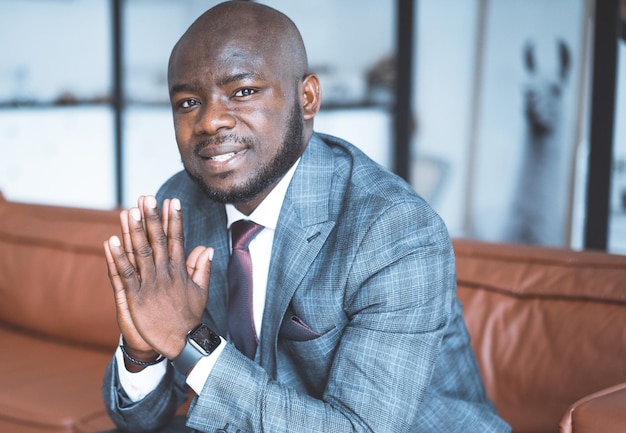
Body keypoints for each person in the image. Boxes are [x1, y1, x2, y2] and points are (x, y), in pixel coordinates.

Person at [101, 1, 511, 432]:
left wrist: (188, 339)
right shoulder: (181, 204)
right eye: (188, 101)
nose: (210, 121)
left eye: (243, 91)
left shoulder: (393, 229)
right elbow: (139, 420)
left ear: (307, 97)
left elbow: (357, 428)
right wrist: (142, 346)